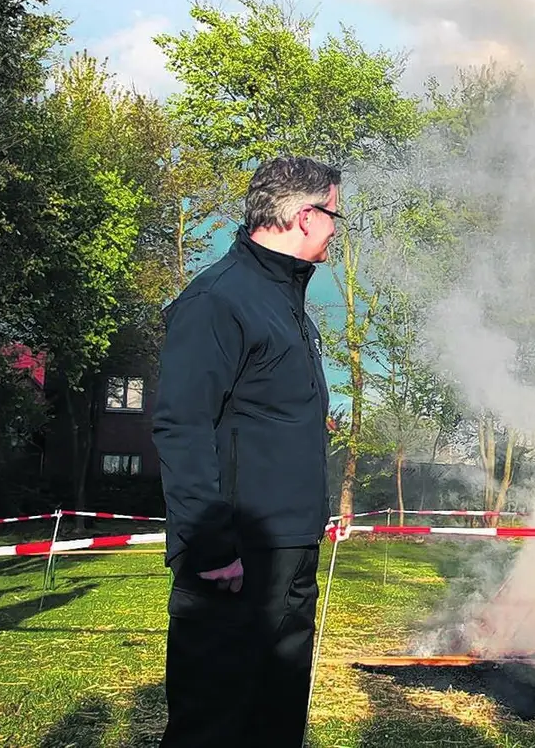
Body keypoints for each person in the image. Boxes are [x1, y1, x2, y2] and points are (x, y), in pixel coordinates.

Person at [152, 156, 344, 747]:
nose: (337, 229)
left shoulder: (285, 302)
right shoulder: (219, 300)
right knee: (214, 723)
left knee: (274, 717)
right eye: (335, 215)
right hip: (233, 562)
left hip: (288, 553)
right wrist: (211, 549)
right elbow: (181, 426)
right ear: (305, 217)